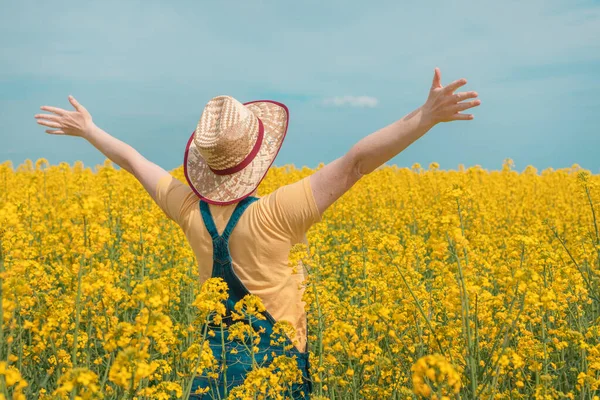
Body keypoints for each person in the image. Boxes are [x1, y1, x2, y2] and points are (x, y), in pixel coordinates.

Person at [34, 67, 480, 398]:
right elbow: (356, 163)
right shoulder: (278, 213)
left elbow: (135, 162)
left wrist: (90, 130)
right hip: (276, 369)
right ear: (257, 158)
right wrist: (425, 117)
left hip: (211, 370)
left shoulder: (188, 209)